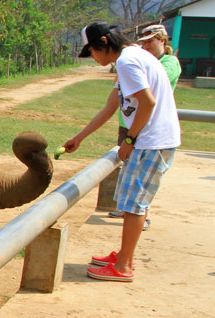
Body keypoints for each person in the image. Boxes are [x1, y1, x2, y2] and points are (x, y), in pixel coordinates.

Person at [62, 22, 180, 282]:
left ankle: (124, 266)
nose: (93, 58)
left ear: (104, 43)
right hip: (149, 140)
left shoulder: (128, 61)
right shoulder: (132, 59)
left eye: (92, 51)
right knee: (132, 202)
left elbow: (148, 102)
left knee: (135, 204)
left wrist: (130, 139)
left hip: (151, 141)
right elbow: (109, 108)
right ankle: (124, 255)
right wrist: (79, 138)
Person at [109, 24, 181, 230]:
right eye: (144, 42)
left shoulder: (165, 62)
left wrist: (129, 70)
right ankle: (128, 213)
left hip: (147, 130)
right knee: (129, 179)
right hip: (131, 124)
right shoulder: (137, 61)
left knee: (139, 191)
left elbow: (147, 93)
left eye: (151, 41)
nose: (147, 45)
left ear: (163, 41)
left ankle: (140, 217)